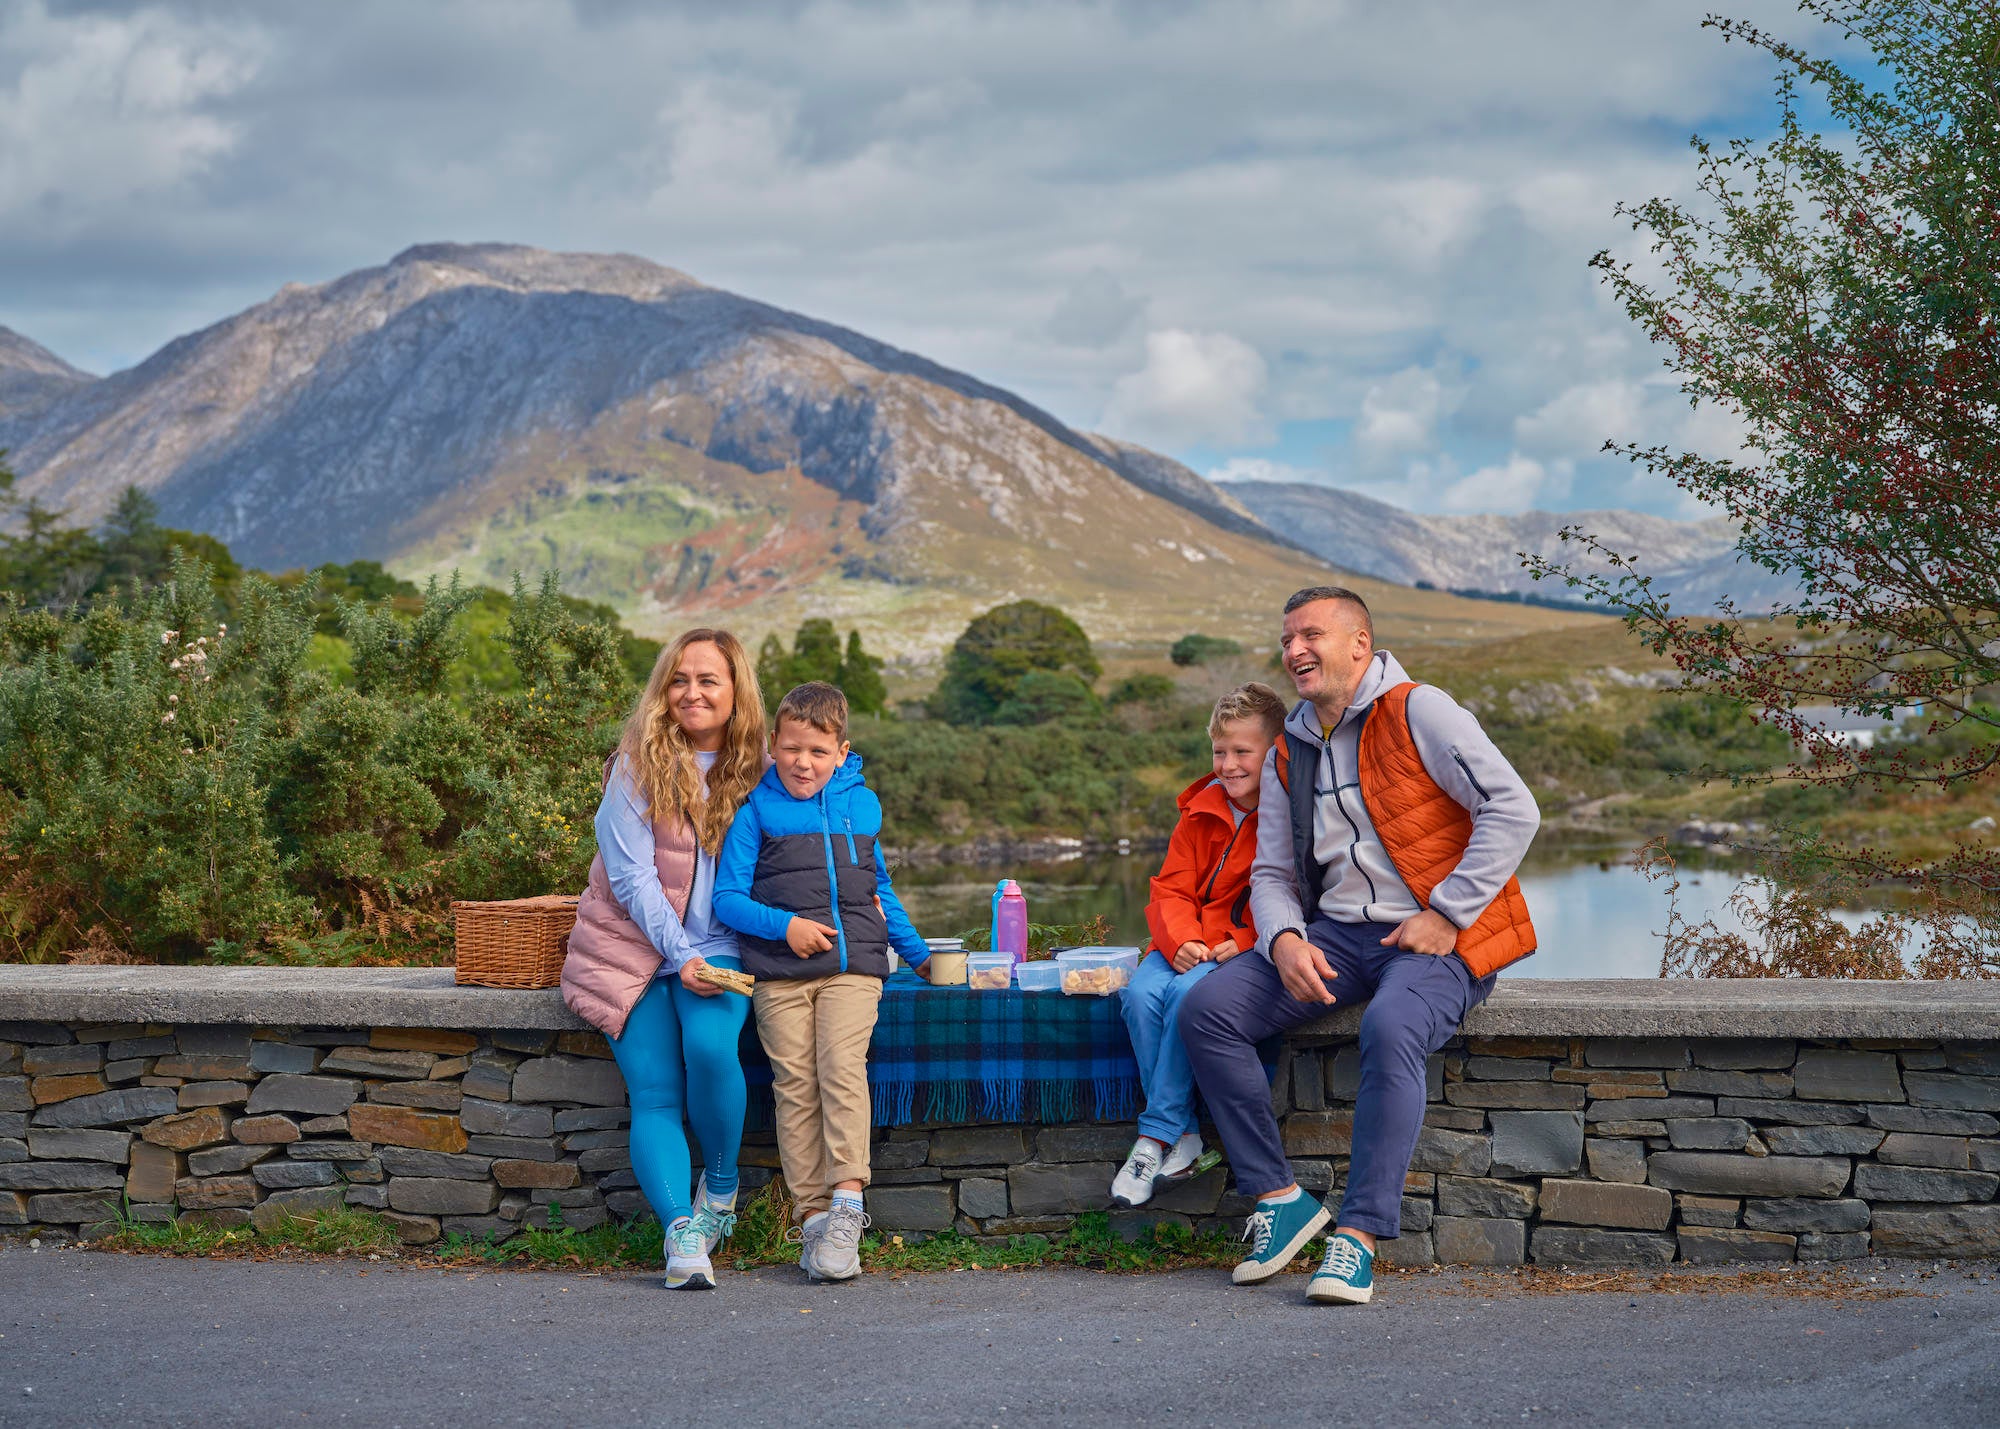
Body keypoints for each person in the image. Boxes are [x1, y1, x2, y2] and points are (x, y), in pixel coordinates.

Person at [1180, 585, 1539, 1305]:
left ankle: (1358, 1237)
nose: (1294, 650)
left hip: (1438, 936)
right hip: (1339, 936)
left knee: (1392, 1024)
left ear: (1359, 644)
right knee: (1207, 1011)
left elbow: (1514, 807)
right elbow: (1274, 871)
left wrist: (1447, 912)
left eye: (1310, 634)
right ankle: (1280, 1201)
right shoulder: (1289, 752)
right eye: (1286, 639)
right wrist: (1282, 937)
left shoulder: (1420, 709)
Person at [561, 628, 768, 1291]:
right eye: (679, 679)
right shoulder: (633, 765)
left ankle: (723, 1189)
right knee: (654, 1091)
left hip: (724, 948)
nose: (692, 692)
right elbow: (632, 881)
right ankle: (682, 1230)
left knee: (712, 1049)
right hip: (631, 947)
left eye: (708, 679)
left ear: (735, 690)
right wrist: (679, 956)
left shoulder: (764, 769)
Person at [712, 680, 933, 1282]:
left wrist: (917, 955)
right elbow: (727, 898)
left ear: (841, 750)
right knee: (795, 1084)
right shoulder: (755, 809)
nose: (801, 763)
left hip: (852, 968)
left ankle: (847, 1207)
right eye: (789, 749)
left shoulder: (862, 806)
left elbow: (877, 888)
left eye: (815, 751)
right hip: (781, 975)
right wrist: (786, 928)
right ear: (772, 746)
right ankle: (812, 1216)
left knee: (840, 1068)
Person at [1112, 681, 1287, 1209]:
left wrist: (1246, 940)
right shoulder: (1199, 809)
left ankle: (1154, 1137)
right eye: (1219, 751)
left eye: (1242, 752)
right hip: (1182, 941)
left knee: (1188, 998)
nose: (1228, 764)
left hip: (1235, 951)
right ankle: (1184, 1133)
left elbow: (1292, 893)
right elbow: (1169, 887)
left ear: (1274, 751)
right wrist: (1180, 938)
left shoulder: (1287, 816)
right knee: (1139, 996)